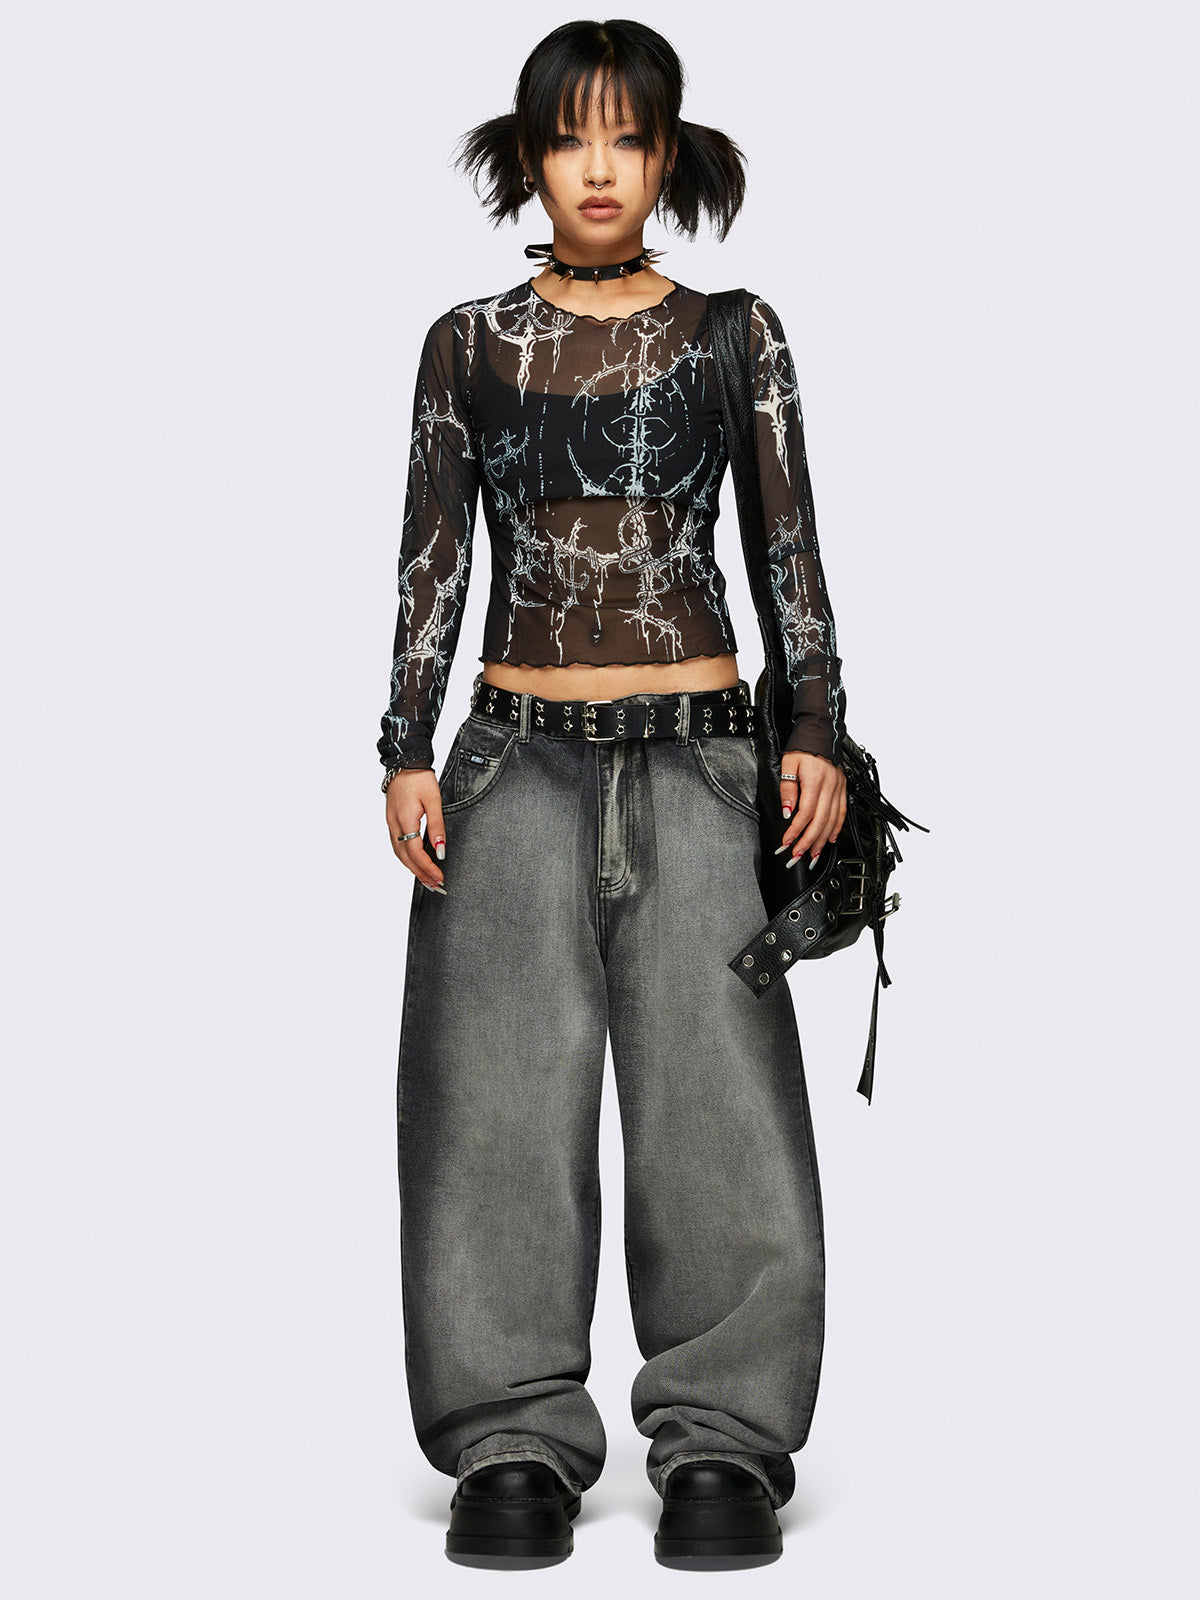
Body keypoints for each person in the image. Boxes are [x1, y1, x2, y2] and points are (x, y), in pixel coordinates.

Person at [377, 18, 849, 1570]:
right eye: (570, 137)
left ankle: (725, 1441)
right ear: (530, 157)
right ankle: (507, 1440)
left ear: (666, 156)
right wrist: (403, 742)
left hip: (707, 759)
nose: (599, 167)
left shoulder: (732, 335)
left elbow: (788, 546)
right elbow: (433, 553)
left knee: (722, 1108)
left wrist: (817, 726)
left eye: (628, 137)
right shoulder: (466, 344)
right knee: (491, 1107)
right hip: (511, 761)